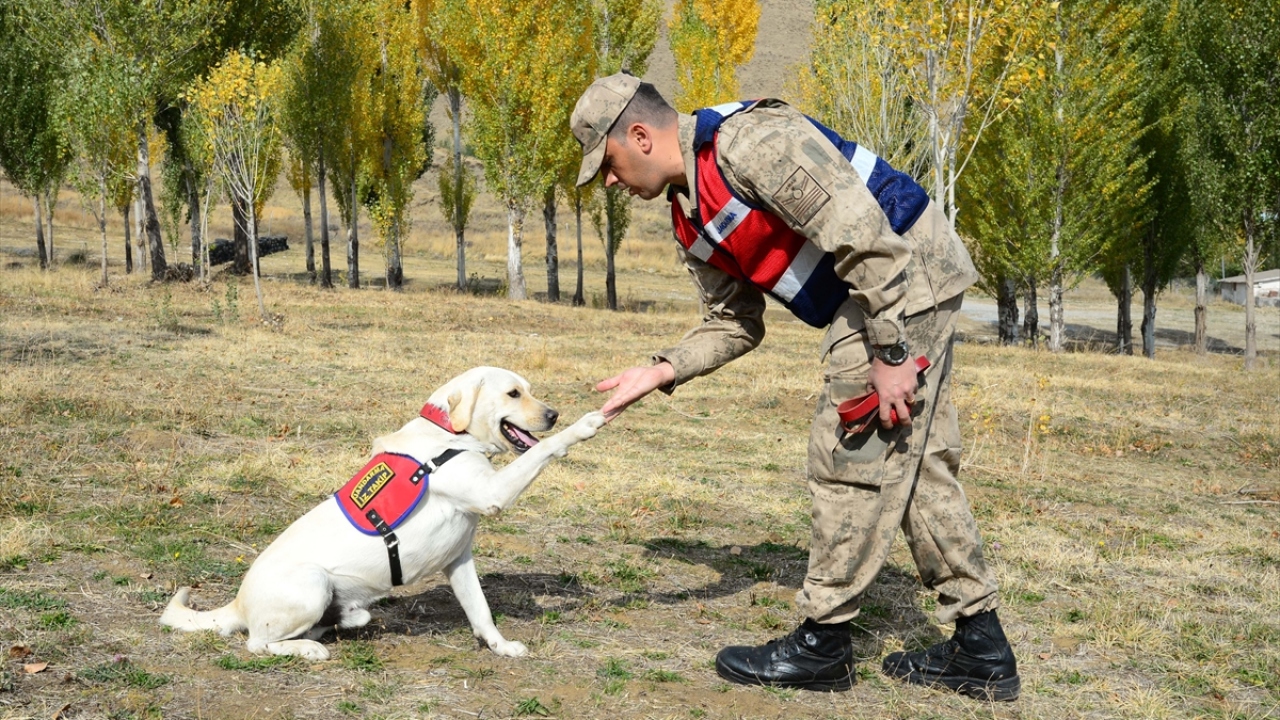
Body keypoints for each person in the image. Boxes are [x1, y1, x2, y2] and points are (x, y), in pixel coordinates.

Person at [569, 73, 1020, 701]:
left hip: (903, 272)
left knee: (847, 452)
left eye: (608, 164)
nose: (610, 183)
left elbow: (868, 239)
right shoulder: (690, 218)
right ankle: (981, 645)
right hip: (880, 288)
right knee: (916, 462)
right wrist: (664, 368)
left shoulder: (751, 143)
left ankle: (823, 642)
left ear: (640, 136)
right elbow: (735, 322)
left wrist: (890, 352)